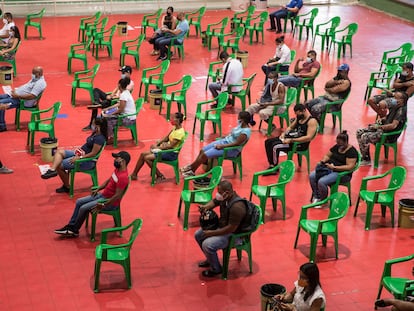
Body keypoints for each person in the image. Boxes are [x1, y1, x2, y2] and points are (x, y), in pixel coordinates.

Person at [54, 151, 130, 238]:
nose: (115, 160)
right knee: (79, 201)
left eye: (117, 158)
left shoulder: (123, 177)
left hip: (108, 203)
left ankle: (74, 230)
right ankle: (71, 226)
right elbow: (108, 181)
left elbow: (117, 196)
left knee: (83, 208)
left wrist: (104, 204)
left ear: (123, 161)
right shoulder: (117, 170)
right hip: (102, 195)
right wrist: (98, 188)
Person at [195, 180, 250, 277]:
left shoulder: (237, 207)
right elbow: (214, 201)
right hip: (223, 227)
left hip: (235, 235)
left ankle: (216, 269)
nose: (218, 194)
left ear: (227, 193)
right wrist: (206, 207)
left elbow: (231, 229)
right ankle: (210, 259)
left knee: (207, 244)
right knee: (198, 235)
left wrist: (212, 233)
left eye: (219, 192)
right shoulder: (225, 198)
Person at [40, 117, 107, 194]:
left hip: (86, 161)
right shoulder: (95, 133)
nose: (92, 124)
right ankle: (52, 170)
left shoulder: (100, 138)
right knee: (59, 152)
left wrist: (79, 157)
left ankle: (67, 187)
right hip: (80, 153)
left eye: (93, 123)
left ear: (98, 126)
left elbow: (93, 154)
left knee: (59, 165)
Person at [181, 111, 251, 177]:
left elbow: (237, 143)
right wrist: (223, 138)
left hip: (231, 149)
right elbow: (232, 136)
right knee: (202, 150)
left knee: (205, 155)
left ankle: (192, 170)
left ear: (243, 120)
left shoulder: (245, 132)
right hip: (224, 142)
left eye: (238, 118)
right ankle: (191, 167)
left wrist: (222, 146)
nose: (237, 119)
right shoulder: (240, 125)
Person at [356, 91, 408, 166]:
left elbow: (393, 125)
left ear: (401, 101)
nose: (393, 99)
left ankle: (366, 160)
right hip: (383, 130)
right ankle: (364, 156)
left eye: (396, 98)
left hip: (388, 135)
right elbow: (389, 116)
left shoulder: (401, 111)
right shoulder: (395, 106)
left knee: (364, 137)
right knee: (359, 132)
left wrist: (379, 127)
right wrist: (383, 119)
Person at [130, 112, 185, 181]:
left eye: (173, 118)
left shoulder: (180, 133)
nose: (171, 119)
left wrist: (158, 148)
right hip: (165, 150)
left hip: (171, 154)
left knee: (147, 158)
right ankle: (134, 175)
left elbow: (171, 146)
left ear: (178, 120)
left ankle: (160, 175)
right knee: (142, 154)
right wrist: (157, 144)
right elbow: (166, 138)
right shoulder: (175, 128)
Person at [264, 104, 318, 172]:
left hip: (299, 144)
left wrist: (291, 140)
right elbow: (291, 127)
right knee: (268, 142)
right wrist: (284, 133)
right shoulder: (299, 117)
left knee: (275, 146)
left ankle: (274, 167)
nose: (297, 116)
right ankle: (271, 164)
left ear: (304, 111)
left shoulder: (312, 121)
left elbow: (308, 137)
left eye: (299, 114)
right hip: (291, 138)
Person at [309, 131, 358, 205]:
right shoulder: (336, 147)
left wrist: (335, 168)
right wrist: (323, 160)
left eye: (341, 144)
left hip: (342, 174)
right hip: (330, 168)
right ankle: (317, 196)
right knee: (312, 176)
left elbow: (349, 167)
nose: (339, 145)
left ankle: (323, 200)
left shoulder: (351, 152)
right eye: (338, 143)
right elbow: (328, 155)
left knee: (322, 182)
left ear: (346, 142)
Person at [83, 65, 134, 131]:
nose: (122, 74)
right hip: (112, 98)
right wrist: (110, 95)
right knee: (96, 90)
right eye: (122, 73)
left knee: (98, 108)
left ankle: (93, 121)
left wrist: (113, 98)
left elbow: (122, 97)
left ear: (128, 73)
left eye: (123, 73)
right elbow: (116, 89)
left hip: (116, 100)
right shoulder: (122, 81)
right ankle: (97, 103)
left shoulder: (130, 84)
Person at [0, 66, 47, 132]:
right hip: (15, 95)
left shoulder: (40, 83)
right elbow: (25, 87)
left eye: (33, 73)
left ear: (39, 74)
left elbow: (32, 96)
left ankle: (2, 126)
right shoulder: (35, 79)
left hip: (22, 101)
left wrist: (17, 96)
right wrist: (15, 90)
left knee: (1, 103)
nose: (32, 74)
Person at [102, 77, 137, 143]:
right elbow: (119, 104)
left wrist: (109, 114)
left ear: (119, 85)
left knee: (108, 120)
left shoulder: (124, 95)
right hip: (127, 116)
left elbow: (120, 109)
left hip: (128, 119)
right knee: (108, 115)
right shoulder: (126, 92)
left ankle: (111, 138)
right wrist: (108, 109)